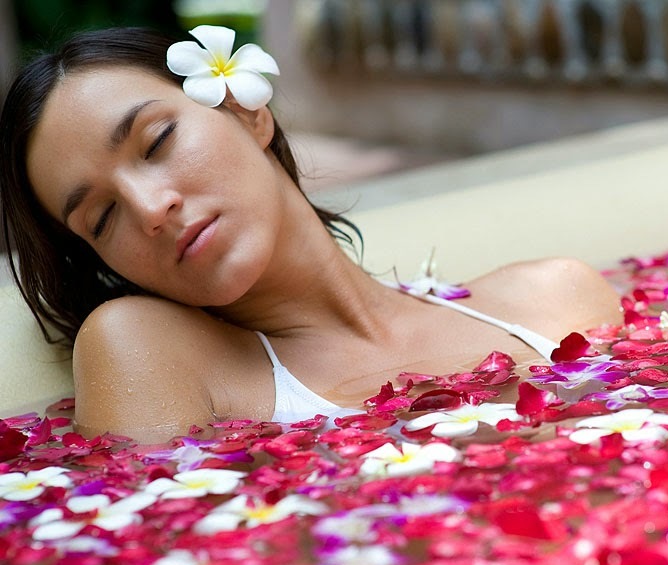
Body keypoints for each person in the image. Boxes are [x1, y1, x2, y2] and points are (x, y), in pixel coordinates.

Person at [0, 26, 622, 444]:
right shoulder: (144, 346)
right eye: (101, 219)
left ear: (247, 112)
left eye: (158, 141)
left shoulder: (555, 299)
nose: (150, 208)